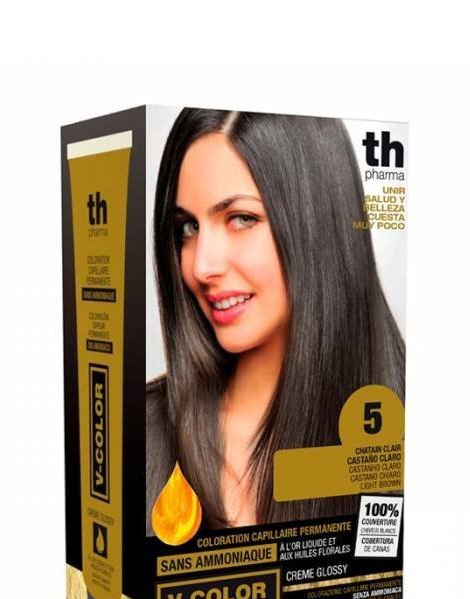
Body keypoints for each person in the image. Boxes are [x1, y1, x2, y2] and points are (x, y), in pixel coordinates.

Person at [146, 108, 405, 534]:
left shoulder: (400, 424)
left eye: (241, 218)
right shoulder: (140, 433)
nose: (201, 266)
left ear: (318, 223)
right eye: (187, 228)